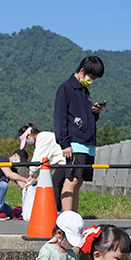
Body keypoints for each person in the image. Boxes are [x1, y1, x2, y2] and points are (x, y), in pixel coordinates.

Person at [54, 56, 107, 212]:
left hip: (88, 143)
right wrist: (64, 143)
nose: (92, 81)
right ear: (82, 71)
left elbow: (84, 118)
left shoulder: (85, 91)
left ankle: (74, 217)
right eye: (91, 77)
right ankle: (66, 219)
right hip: (75, 143)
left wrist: (95, 113)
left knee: (79, 181)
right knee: (71, 180)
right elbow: (60, 118)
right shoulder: (66, 88)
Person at [19, 123, 66, 212]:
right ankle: (58, 211)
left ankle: (56, 211)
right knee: (58, 185)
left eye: (27, 140)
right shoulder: (45, 136)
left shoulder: (42, 138)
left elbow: (38, 158)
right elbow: (46, 161)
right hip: (62, 162)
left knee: (56, 184)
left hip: (64, 162)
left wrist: (31, 175)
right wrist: (36, 178)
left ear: (29, 135)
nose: (28, 143)